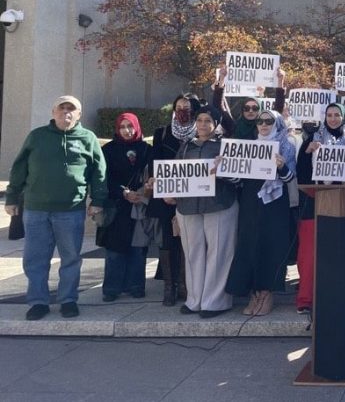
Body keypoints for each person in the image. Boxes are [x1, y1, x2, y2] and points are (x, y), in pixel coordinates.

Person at [5, 96, 107, 320]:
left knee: (70, 258)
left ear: (79, 115)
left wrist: (98, 201)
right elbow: (19, 168)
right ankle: (38, 302)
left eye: (72, 110)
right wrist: (11, 197)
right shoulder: (37, 137)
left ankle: (68, 300)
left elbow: (99, 173)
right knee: (35, 258)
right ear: (53, 112)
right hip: (36, 209)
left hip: (71, 210)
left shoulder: (87, 138)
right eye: (62, 109)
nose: (66, 113)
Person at [164, 105, 239, 318]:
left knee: (219, 254)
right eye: (200, 120)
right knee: (192, 253)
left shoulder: (225, 146)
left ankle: (215, 302)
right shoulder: (186, 146)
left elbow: (238, 179)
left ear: (216, 125)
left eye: (208, 121)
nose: (203, 124)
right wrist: (169, 191)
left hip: (220, 204)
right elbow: (176, 174)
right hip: (188, 207)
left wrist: (223, 170)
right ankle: (194, 300)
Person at [226, 110, 296, 316]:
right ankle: (254, 293)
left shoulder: (286, 145)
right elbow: (238, 180)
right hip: (250, 201)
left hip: (275, 204)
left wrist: (281, 166)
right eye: (260, 121)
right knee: (249, 244)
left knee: (270, 245)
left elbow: (290, 178)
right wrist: (225, 169)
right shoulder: (249, 144)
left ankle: (267, 293)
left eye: (269, 121)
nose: (264, 125)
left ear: (277, 123)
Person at [295, 103, 345, 314]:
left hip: (344, 203)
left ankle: (337, 295)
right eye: (329, 115)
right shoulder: (312, 140)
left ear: (343, 117)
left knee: (338, 253)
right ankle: (306, 299)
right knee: (309, 254)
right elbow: (300, 174)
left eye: (337, 115)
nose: (333, 119)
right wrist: (308, 154)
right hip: (314, 203)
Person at [146, 93, 201, 306]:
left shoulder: (201, 131)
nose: (182, 112)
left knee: (190, 241)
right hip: (167, 196)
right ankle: (170, 286)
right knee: (168, 240)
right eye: (179, 107)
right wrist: (164, 190)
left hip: (193, 197)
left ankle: (186, 284)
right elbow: (154, 164)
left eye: (187, 108)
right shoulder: (161, 133)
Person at [97, 113, 153, 302]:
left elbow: (153, 173)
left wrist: (144, 191)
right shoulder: (109, 150)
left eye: (130, 126)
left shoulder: (146, 149)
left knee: (138, 248)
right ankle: (112, 288)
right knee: (114, 248)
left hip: (140, 204)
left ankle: (136, 286)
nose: (127, 130)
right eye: (122, 126)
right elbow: (104, 178)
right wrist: (123, 192)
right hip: (117, 205)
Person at [229, 68, 286, 140]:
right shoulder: (234, 126)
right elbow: (220, 108)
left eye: (255, 108)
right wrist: (221, 80)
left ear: (260, 110)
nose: (250, 111)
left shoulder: (266, 126)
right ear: (242, 110)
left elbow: (278, 107)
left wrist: (280, 81)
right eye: (246, 108)